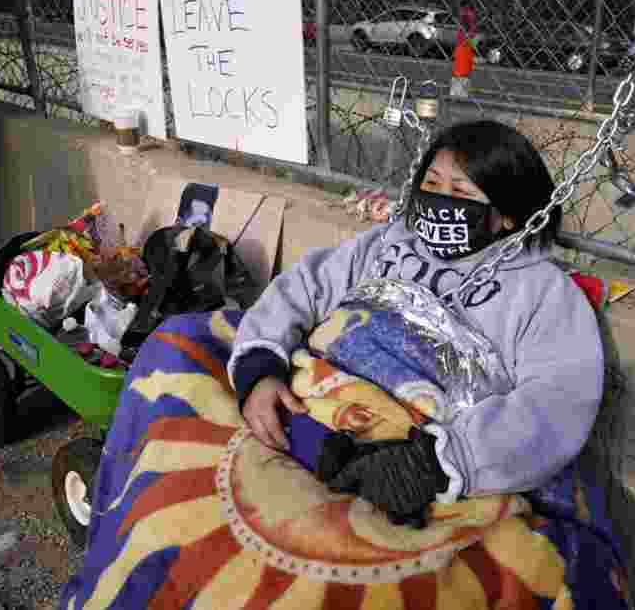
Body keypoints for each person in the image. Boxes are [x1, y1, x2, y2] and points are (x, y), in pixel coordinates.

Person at [228, 119, 604, 523]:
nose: (441, 200)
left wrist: (435, 464)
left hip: (415, 447)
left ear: (508, 215)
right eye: (432, 185)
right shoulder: (387, 243)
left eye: (460, 192)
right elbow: (303, 288)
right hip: (311, 397)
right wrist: (260, 372)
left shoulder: (542, 291)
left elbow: (555, 401)